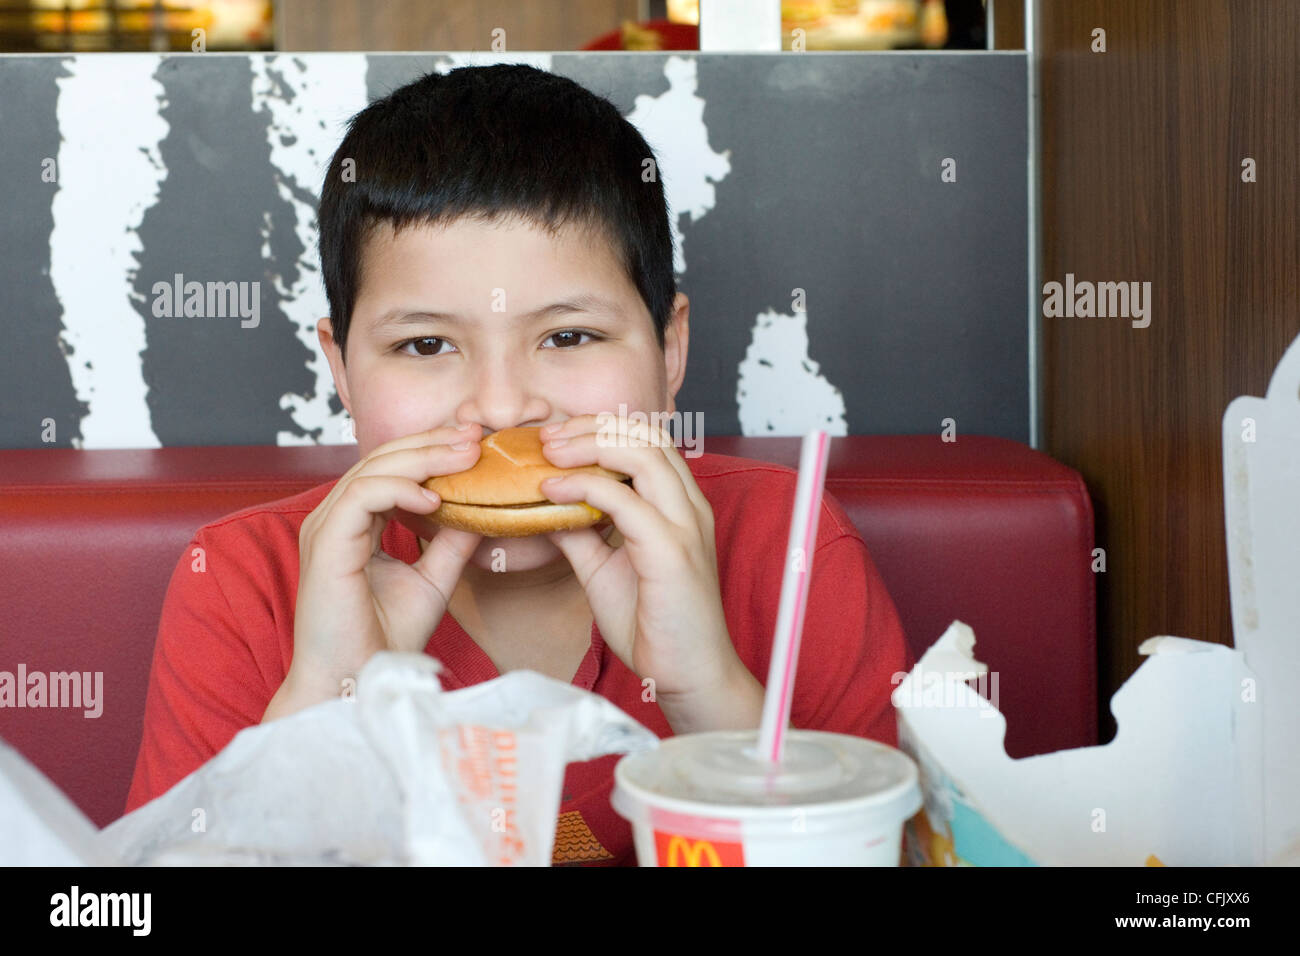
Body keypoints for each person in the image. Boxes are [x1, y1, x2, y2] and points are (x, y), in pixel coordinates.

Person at [125, 64, 911, 865]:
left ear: (670, 351)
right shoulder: (241, 581)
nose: (502, 408)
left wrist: (707, 692)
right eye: (425, 345)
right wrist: (325, 703)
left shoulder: (790, 547)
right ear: (341, 371)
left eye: (568, 336)